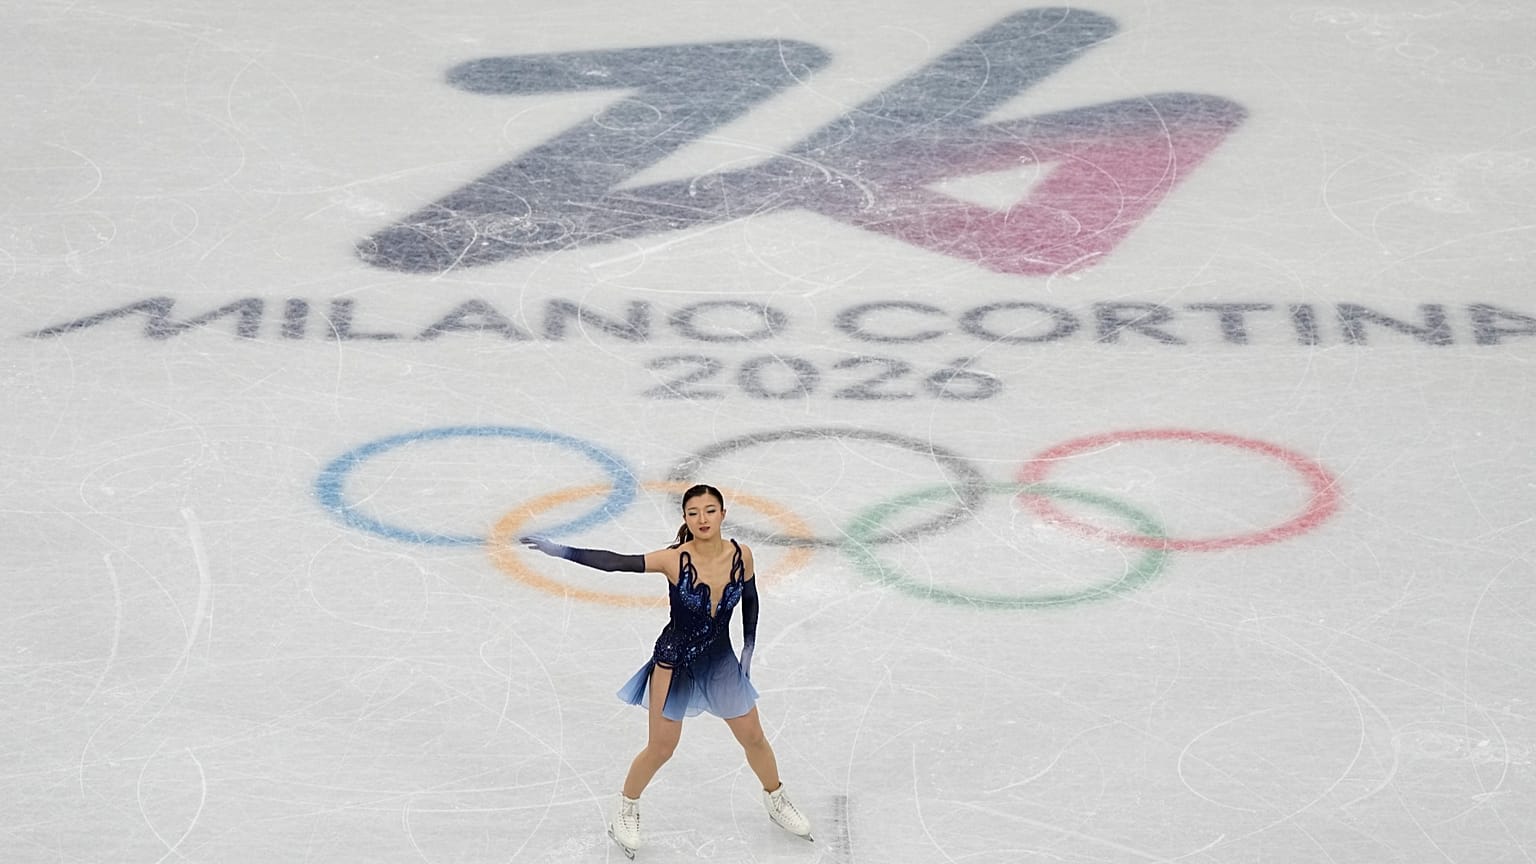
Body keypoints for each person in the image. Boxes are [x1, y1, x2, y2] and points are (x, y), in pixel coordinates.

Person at [519, 483, 813, 858]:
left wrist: (749, 648)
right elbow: (615, 562)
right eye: (693, 513)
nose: (702, 519)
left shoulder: (744, 555)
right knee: (661, 747)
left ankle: (776, 798)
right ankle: (625, 806)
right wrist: (561, 550)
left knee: (753, 737)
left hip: (720, 661)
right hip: (674, 662)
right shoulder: (674, 559)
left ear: (723, 514)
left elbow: (750, 601)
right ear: (685, 519)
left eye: (709, 510)